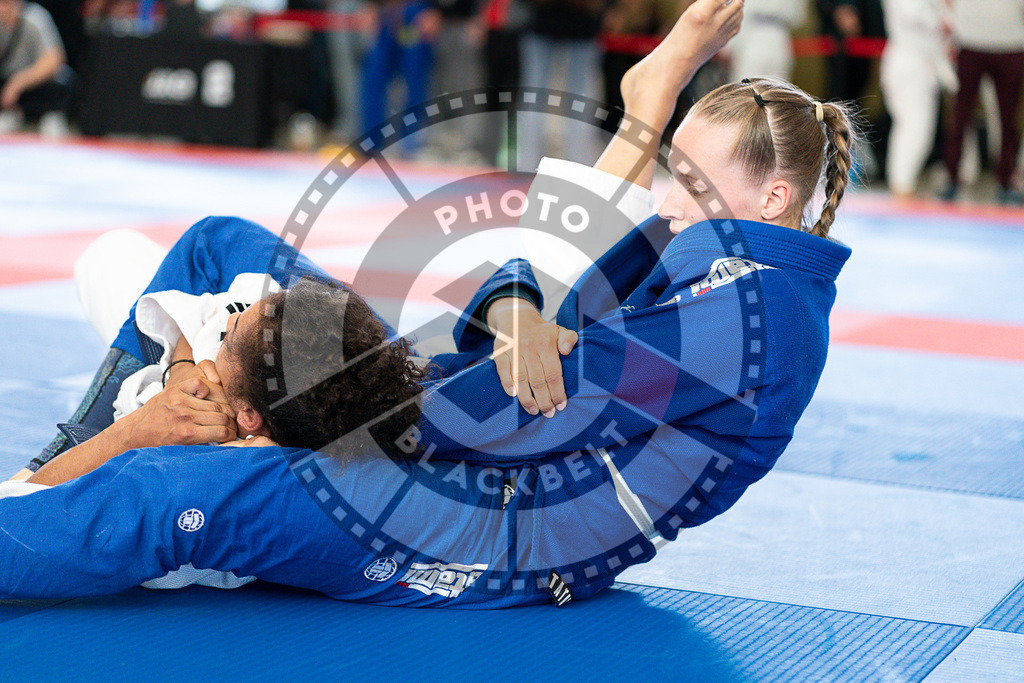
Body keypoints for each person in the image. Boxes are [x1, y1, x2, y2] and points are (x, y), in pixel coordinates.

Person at [1, 0, 854, 608]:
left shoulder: (761, 323)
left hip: (492, 521)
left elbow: (522, 405)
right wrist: (516, 304)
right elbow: (555, 283)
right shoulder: (705, 250)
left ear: (774, 198)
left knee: (163, 490)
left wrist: (299, 409)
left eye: (691, 182)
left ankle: (53, 489)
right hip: (449, 411)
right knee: (219, 242)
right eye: (670, 169)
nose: (670, 202)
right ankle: (53, 466)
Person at [942, 0, 1024, 205]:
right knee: (960, 115)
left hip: (1010, 43)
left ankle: (1006, 181)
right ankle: (951, 178)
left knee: (1007, 119)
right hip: (971, 41)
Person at [879, 0, 956, 199]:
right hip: (908, 64)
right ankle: (901, 187)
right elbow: (916, 14)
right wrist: (946, 17)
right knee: (915, 128)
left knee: (920, 130)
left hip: (922, 62)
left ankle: (903, 185)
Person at [0, 0, 73, 136]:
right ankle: (10, 114)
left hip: (35, 85)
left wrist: (19, 82)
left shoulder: (35, 17)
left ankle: (50, 115)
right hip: (5, 83)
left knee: (62, 79)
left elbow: (54, 58)